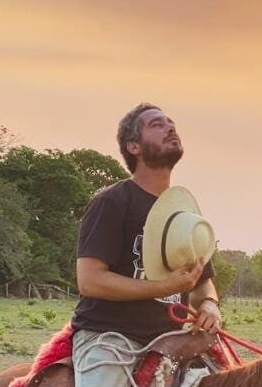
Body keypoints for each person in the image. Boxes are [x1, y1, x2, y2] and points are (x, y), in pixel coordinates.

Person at [71, 103, 222, 387]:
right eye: (156, 124)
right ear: (133, 147)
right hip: (111, 339)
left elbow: (202, 283)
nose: (170, 127)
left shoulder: (186, 218)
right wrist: (165, 287)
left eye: (171, 123)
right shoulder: (112, 202)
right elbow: (90, 281)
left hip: (172, 342)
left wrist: (211, 305)